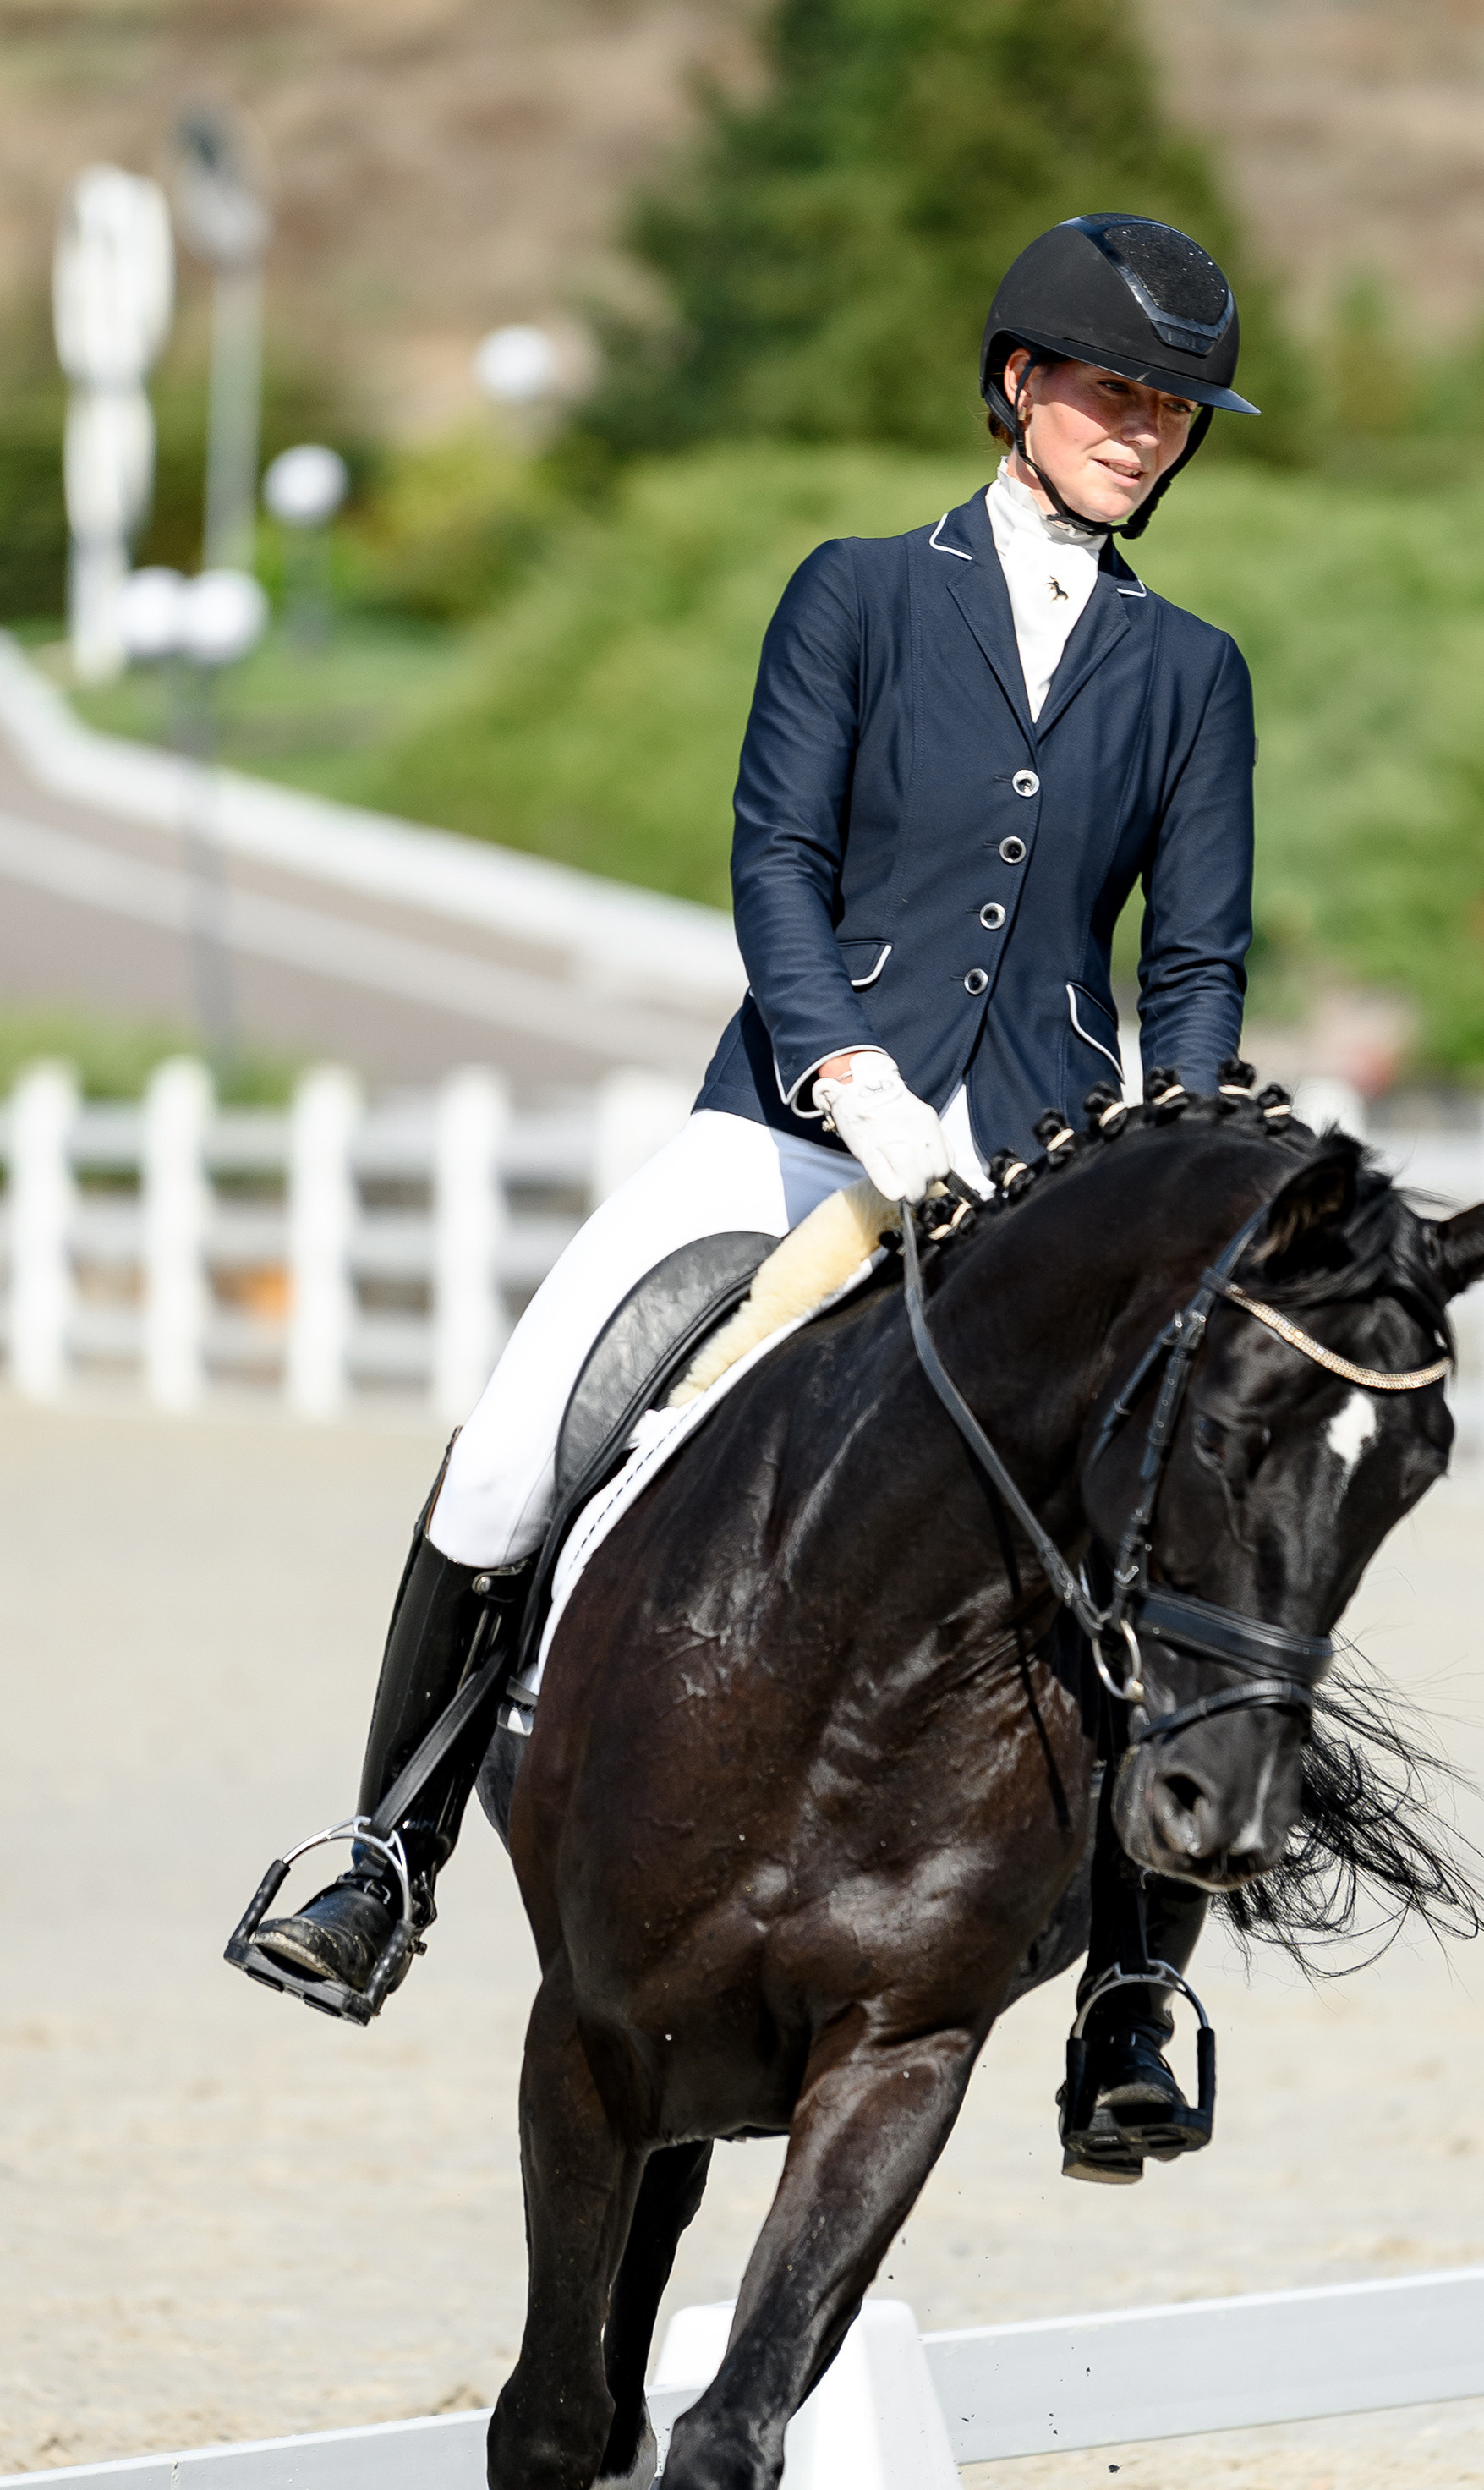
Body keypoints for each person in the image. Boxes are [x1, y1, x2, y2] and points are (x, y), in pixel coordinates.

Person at [240, 211, 1261, 2181]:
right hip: (797, 1126)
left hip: (1044, 1166)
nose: (1145, 430)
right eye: (1115, 390)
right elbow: (775, 859)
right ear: (1017, 387)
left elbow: (1195, 959)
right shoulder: (862, 597)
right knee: (525, 1438)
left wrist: (1181, 1155)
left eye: (1173, 409)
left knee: (1178, 1534)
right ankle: (386, 1849)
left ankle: (1132, 1991)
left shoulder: (1188, 673)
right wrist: (854, 1073)